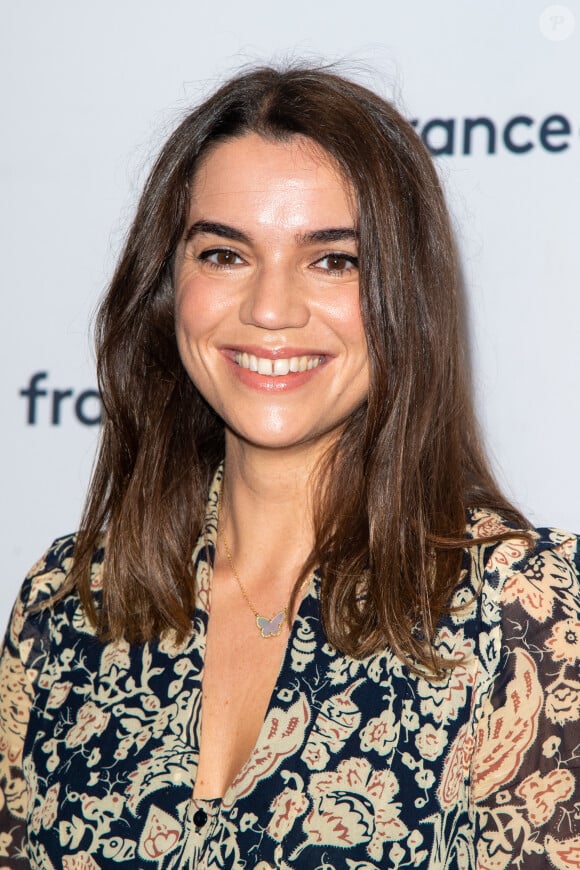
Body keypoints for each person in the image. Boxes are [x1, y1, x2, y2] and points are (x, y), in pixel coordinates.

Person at [1, 64, 579, 870]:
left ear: (403, 295)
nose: (271, 309)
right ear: (170, 287)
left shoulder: (524, 610)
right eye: (225, 254)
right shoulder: (66, 608)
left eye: (333, 260)